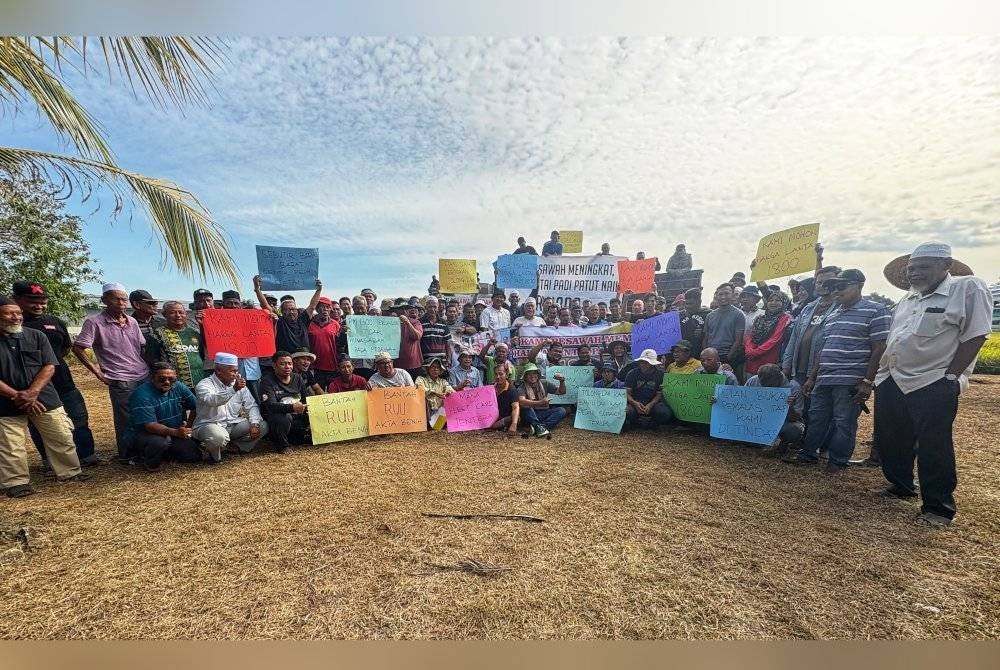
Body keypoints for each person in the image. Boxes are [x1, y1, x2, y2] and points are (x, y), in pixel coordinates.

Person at [873, 242, 991, 527]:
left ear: (946, 266)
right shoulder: (907, 300)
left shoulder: (967, 288)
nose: (915, 274)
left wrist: (951, 376)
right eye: (911, 269)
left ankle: (938, 507)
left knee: (933, 445)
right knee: (890, 436)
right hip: (893, 378)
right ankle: (901, 484)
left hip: (932, 379)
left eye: (923, 267)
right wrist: (880, 376)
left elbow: (976, 335)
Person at [787, 270, 891, 473]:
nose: (835, 291)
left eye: (841, 286)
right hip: (824, 376)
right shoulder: (833, 315)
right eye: (833, 286)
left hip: (851, 378)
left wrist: (868, 381)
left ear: (859, 285)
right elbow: (823, 348)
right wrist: (812, 377)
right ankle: (808, 455)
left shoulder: (877, 310)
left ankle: (837, 462)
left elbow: (879, 347)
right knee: (816, 417)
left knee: (844, 421)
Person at [0, 297, 88, 497]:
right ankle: (16, 482)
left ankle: (70, 472)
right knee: (10, 443)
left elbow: (49, 365)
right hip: (5, 400)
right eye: (9, 313)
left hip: (43, 395)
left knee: (61, 434)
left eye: (18, 313)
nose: (16, 317)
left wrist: (32, 392)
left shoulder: (36, 336)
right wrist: (16, 395)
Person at [13, 282, 99, 467]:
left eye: (43, 301)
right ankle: (49, 459)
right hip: (33, 388)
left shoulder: (54, 322)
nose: (39, 305)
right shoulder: (13, 325)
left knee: (79, 419)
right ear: (17, 300)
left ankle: (86, 455)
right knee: (41, 425)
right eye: (32, 301)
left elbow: (65, 348)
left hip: (63, 382)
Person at [72, 282, 149, 462]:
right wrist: (99, 373)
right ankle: (127, 454)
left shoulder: (132, 321)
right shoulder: (95, 322)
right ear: (105, 300)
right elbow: (78, 348)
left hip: (142, 374)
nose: (121, 303)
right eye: (116, 299)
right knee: (126, 419)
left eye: (124, 299)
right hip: (120, 377)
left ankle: (146, 449)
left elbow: (141, 348)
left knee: (145, 413)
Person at [124, 361, 201, 471]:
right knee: (159, 442)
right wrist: (176, 432)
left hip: (173, 431)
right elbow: (150, 425)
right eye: (162, 379)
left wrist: (188, 426)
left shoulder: (178, 386)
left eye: (171, 379)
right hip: (146, 434)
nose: (167, 382)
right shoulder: (141, 395)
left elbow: (196, 406)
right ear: (152, 377)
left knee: (193, 456)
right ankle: (148, 460)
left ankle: (166, 453)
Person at [193, 352, 267, 462]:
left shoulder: (237, 384)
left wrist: (254, 424)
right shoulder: (204, 385)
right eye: (232, 371)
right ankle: (214, 457)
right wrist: (233, 390)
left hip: (232, 424)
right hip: (210, 424)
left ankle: (236, 447)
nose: (236, 374)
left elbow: (251, 405)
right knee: (218, 437)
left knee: (262, 425)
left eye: (237, 371)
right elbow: (211, 400)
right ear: (218, 371)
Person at [782, 267, 841, 386]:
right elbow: (793, 340)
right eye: (819, 282)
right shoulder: (807, 308)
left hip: (825, 373)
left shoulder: (841, 309)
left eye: (828, 281)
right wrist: (786, 367)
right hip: (799, 371)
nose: (823, 285)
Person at [742, 364, 805, 458]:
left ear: (779, 377)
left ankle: (782, 443)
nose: (767, 389)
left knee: (794, 430)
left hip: (783, 422)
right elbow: (740, 402)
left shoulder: (794, 387)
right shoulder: (753, 380)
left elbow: (795, 418)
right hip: (757, 419)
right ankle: (760, 442)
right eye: (763, 385)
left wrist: (790, 407)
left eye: (770, 385)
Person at [259, 351, 313, 453]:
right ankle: (282, 445)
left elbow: (306, 398)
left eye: (290, 363)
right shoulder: (267, 381)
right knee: (282, 417)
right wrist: (292, 408)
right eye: (282, 364)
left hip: (298, 414)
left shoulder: (297, 378)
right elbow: (270, 406)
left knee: (315, 409)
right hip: (278, 417)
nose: (287, 366)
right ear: (274, 366)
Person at [146, 300, 204, 389]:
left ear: (186, 314)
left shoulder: (194, 333)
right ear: (164, 315)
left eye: (181, 312)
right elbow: (151, 359)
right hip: (173, 386)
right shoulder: (156, 335)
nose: (178, 315)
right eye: (173, 313)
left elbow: (201, 355)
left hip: (199, 383)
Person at [744, 291, 792, 376]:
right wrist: (749, 350)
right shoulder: (760, 318)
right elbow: (750, 336)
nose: (773, 302)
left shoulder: (785, 318)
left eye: (777, 300)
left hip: (769, 362)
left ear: (784, 303)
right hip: (752, 360)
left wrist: (755, 352)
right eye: (771, 300)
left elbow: (774, 339)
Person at [624, 349, 672, 428]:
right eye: (641, 362)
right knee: (627, 412)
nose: (643, 364)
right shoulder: (632, 373)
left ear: (652, 364)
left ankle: (652, 422)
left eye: (646, 362)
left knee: (664, 413)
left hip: (654, 404)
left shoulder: (661, 375)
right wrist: (635, 403)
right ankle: (637, 422)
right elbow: (626, 393)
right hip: (635, 402)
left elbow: (659, 394)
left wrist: (651, 404)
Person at [703, 283, 745, 373]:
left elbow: (738, 340)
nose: (723, 297)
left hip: (727, 357)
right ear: (716, 296)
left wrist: (728, 357)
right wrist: (705, 355)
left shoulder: (739, 314)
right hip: (710, 357)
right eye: (720, 294)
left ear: (733, 295)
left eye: (726, 293)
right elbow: (706, 337)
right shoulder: (710, 315)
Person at [516, 363, 566, 438]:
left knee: (561, 410)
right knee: (526, 407)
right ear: (525, 377)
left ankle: (538, 427)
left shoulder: (544, 383)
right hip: (529, 415)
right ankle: (539, 427)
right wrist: (540, 403)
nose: (532, 376)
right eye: (529, 374)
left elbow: (561, 392)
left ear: (538, 375)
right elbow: (522, 401)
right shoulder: (522, 387)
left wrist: (562, 381)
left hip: (543, 412)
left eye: (534, 373)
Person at [303, 296, 341, 389]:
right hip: (316, 368)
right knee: (318, 395)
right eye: (322, 307)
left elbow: (340, 344)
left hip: (333, 367)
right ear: (317, 308)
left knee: (334, 395)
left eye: (327, 307)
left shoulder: (335, 324)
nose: (325, 309)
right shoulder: (309, 324)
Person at [391, 300, 424, 377]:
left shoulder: (416, 322)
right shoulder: (390, 323)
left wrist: (407, 322)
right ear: (396, 311)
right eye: (400, 309)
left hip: (414, 364)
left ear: (408, 311)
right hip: (396, 364)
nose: (403, 311)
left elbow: (417, 336)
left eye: (405, 309)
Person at [419, 298, 450, 367]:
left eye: (434, 307)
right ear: (425, 307)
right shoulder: (420, 322)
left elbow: (448, 343)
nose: (432, 309)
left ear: (438, 307)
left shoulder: (443, 322)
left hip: (442, 361)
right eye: (430, 307)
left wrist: (449, 359)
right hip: (425, 361)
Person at [489, 366, 521, 433]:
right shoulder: (489, 388)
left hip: (504, 418)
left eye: (501, 374)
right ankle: (491, 426)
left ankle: (492, 426)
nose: (498, 377)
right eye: (496, 374)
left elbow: (515, 407)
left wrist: (514, 424)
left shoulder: (512, 389)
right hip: (490, 418)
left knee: (515, 418)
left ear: (506, 375)